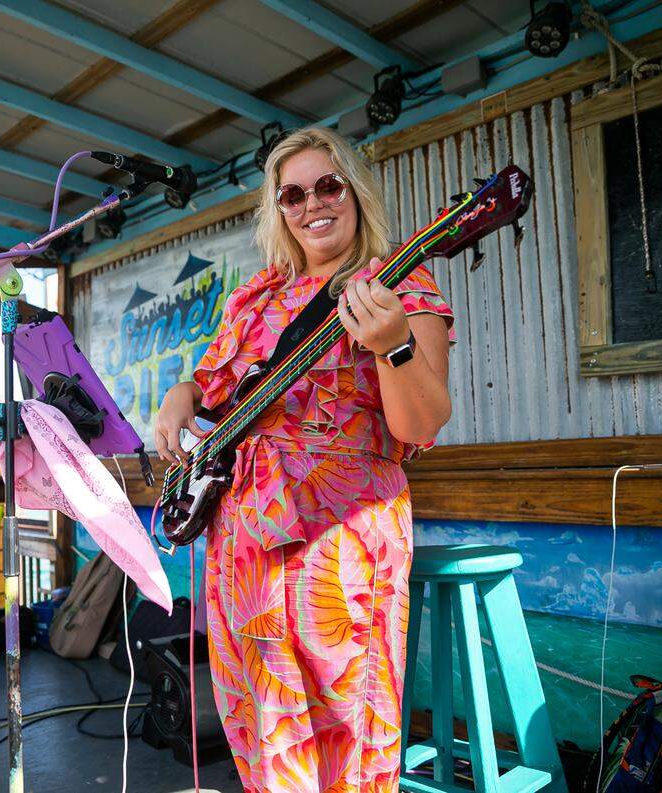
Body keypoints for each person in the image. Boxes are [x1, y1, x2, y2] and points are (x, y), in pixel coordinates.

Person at [153, 126, 454, 792]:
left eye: (328, 185)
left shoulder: (400, 279)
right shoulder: (254, 297)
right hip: (243, 539)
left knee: (348, 714)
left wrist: (394, 344)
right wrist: (179, 394)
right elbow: (211, 387)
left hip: (340, 538)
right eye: (292, 194)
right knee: (263, 720)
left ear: (355, 191)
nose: (311, 204)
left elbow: (422, 425)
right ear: (278, 208)